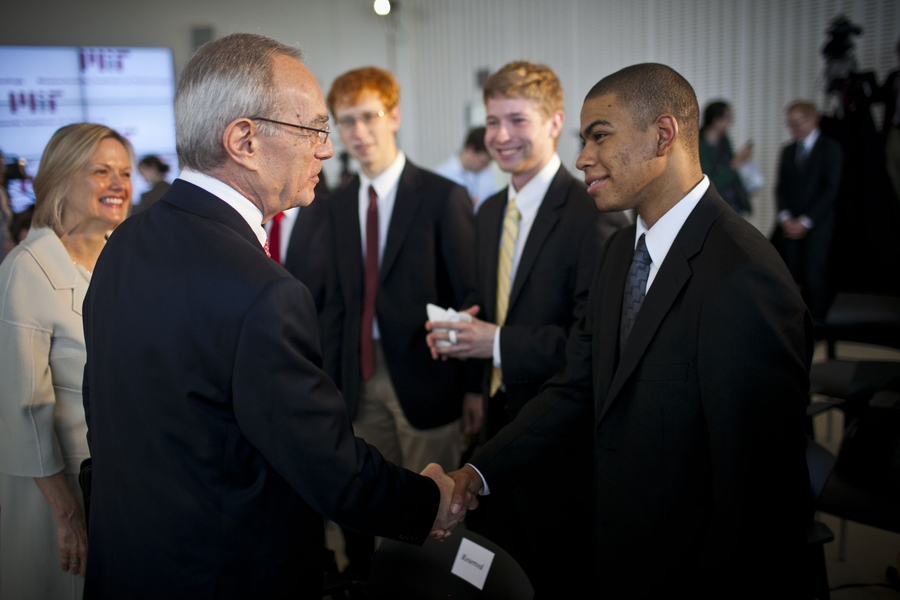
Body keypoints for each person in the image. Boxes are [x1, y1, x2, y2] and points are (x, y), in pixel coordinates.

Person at [80, 34, 468, 600]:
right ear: (244, 139)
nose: (328, 149)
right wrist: (430, 499)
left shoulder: (128, 239)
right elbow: (328, 466)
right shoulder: (262, 291)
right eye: (313, 128)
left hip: (132, 559)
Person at [449, 63, 813, 596]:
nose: (581, 158)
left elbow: (758, 495)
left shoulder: (744, 276)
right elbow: (577, 386)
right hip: (617, 549)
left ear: (662, 135)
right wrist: (475, 474)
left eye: (600, 136)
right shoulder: (622, 249)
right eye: (582, 139)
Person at [425, 60, 627, 596]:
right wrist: (463, 338)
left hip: (557, 429)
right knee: (494, 561)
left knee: (553, 569)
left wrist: (495, 342)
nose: (501, 136)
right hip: (493, 419)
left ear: (556, 123)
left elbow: (595, 342)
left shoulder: (595, 214)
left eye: (517, 120)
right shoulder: (489, 210)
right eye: (492, 122)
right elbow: (486, 303)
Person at [321, 66, 475, 578]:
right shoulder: (337, 203)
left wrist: (473, 388)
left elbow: (467, 296)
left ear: (395, 117)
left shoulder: (440, 195)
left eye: (369, 117)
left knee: (439, 505)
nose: (359, 132)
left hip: (427, 372)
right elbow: (338, 298)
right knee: (377, 500)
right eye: (347, 122)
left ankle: (436, 587)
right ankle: (388, 586)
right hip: (361, 375)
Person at [0, 123, 133, 600]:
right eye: (101, 171)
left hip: (118, 487)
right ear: (60, 177)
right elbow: (22, 410)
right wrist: (67, 513)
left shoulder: (116, 257)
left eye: (125, 172)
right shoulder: (27, 269)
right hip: (58, 497)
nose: (119, 184)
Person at [772, 101, 843, 319]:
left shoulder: (831, 149)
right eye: (790, 123)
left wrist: (805, 221)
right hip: (789, 225)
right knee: (788, 277)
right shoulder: (787, 150)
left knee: (815, 277)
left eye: (797, 122)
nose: (793, 128)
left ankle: (817, 326)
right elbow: (781, 187)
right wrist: (785, 218)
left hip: (817, 226)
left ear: (813, 118)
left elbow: (830, 190)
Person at [699, 100, 753, 214]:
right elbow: (709, 183)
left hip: (732, 203)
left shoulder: (724, 141)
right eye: (727, 118)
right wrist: (737, 162)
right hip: (712, 205)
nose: (730, 122)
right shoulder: (699, 145)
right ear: (716, 120)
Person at [435, 126, 499, 210]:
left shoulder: (485, 173)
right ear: (470, 149)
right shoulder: (442, 175)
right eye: (483, 161)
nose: (486, 167)